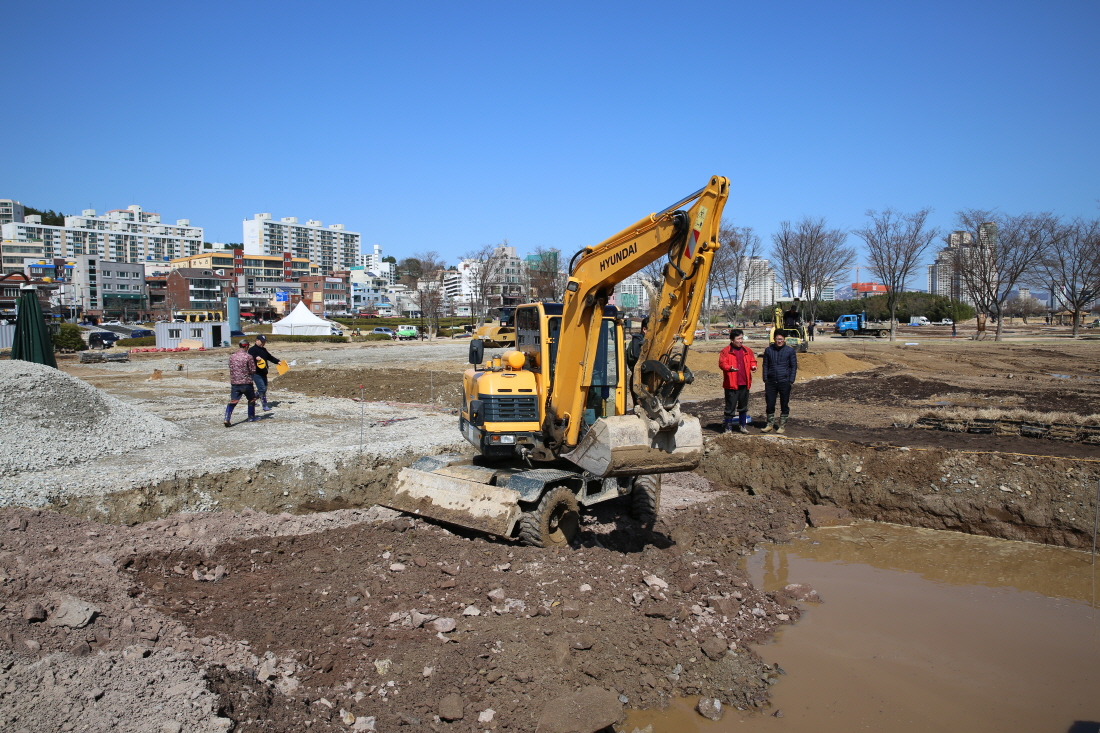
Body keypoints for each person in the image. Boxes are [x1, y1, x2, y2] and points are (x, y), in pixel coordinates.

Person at [718, 329, 758, 433]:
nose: (741, 341)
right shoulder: (725, 351)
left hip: (744, 383)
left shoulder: (747, 351)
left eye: (742, 338)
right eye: (738, 338)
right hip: (731, 384)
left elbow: (753, 361)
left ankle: (743, 426)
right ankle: (728, 427)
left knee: (743, 407)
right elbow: (722, 364)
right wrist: (729, 368)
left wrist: (754, 366)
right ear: (732, 340)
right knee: (730, 407)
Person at [760, 332, 797, 434]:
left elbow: (793, 366)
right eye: (777, 339)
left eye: (781, 339)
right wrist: (765, 379)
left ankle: (782, 425)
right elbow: (765, 365)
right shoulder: (769, 350)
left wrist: (791, 380)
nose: (779, 341)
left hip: (784, 381)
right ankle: (769, 424)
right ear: (774, 339)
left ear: (784, 339)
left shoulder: (790, 351)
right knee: (770, 403)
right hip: (771, 382)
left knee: (784, 404)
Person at [225, 340, 259, 427]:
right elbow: (253, 370)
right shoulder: (248, 357)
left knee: (234, 401)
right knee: (251, 399)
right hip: (246, 382)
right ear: (247, 346)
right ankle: (251, 416)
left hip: (235, 383)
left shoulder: (232, 356)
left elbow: (230, 367)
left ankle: (227, 418)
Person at [247, 334, 281, 412]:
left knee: (264, 388)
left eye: (264, 342)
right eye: (261, 341)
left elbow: (270, 357)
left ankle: (252, 399)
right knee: (261, 389)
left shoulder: (264, 350)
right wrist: (255, 358)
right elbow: (249, 357)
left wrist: (278, 361)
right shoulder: (252, 350)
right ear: (257, 341)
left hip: (263, 372)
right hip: (256, 373)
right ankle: (265, 405)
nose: (263, 343)